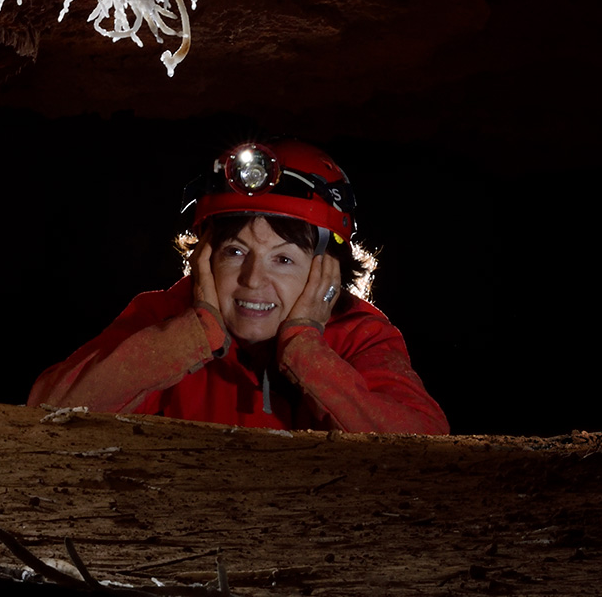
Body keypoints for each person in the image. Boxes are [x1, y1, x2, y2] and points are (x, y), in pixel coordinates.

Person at [28, 140, 448, 434]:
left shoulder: (359, 336)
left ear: (327, 271)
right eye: (234, 252)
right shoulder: (164, 320)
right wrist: (194, 335)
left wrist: (304, 350)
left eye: (282, 259)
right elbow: (46, 410)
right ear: (205, 257)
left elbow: (424, 447)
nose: (252, 280)